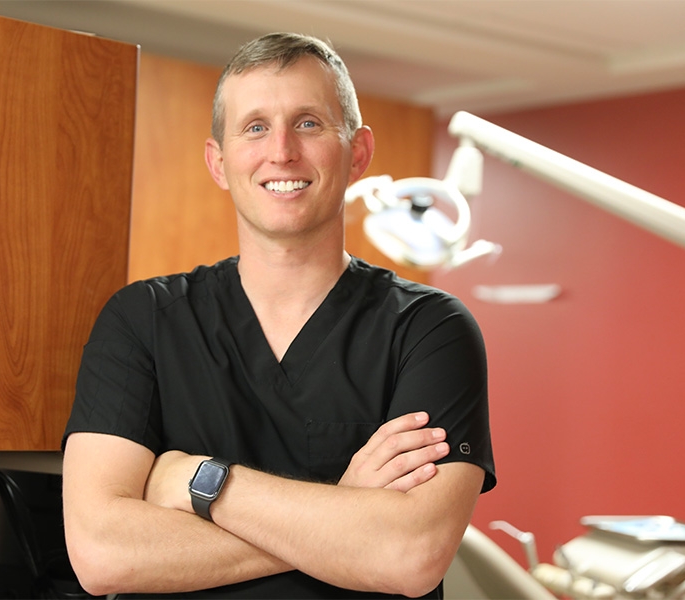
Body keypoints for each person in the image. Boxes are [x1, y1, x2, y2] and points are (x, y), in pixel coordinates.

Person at [61, 32, 495, 599]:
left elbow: (409, 555)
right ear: (219, 162)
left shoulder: (428, 329)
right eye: (255, 127)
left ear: (358, 153)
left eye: (308, 123)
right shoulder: (143, 320)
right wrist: (344, 511)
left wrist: (200, 482)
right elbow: (102, 553)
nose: (282, 151)